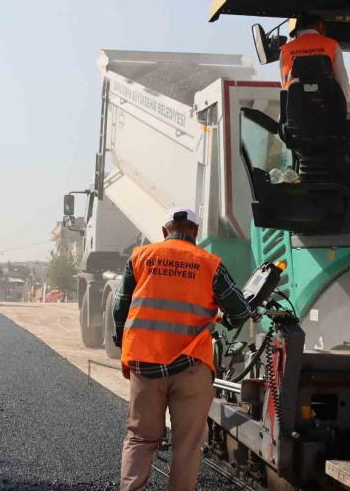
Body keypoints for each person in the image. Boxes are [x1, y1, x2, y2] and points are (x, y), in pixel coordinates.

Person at [113, 207, 251, 491]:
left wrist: (122, 341)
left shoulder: (140, 257)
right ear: (196, 232)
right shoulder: (209, 263)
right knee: (187, 445)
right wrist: (220, 319)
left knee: (140, 439)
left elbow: (120, 309)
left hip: (146, 366)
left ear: (165, 231)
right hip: (191, 367)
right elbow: (240, 312)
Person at [280, 14, 349, 102]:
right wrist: (341, 108)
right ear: (320, 25)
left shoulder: (285, 49)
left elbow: (284, 83)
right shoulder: (332, 45)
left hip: (293, 107)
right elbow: (341, 80)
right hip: (325, 106)